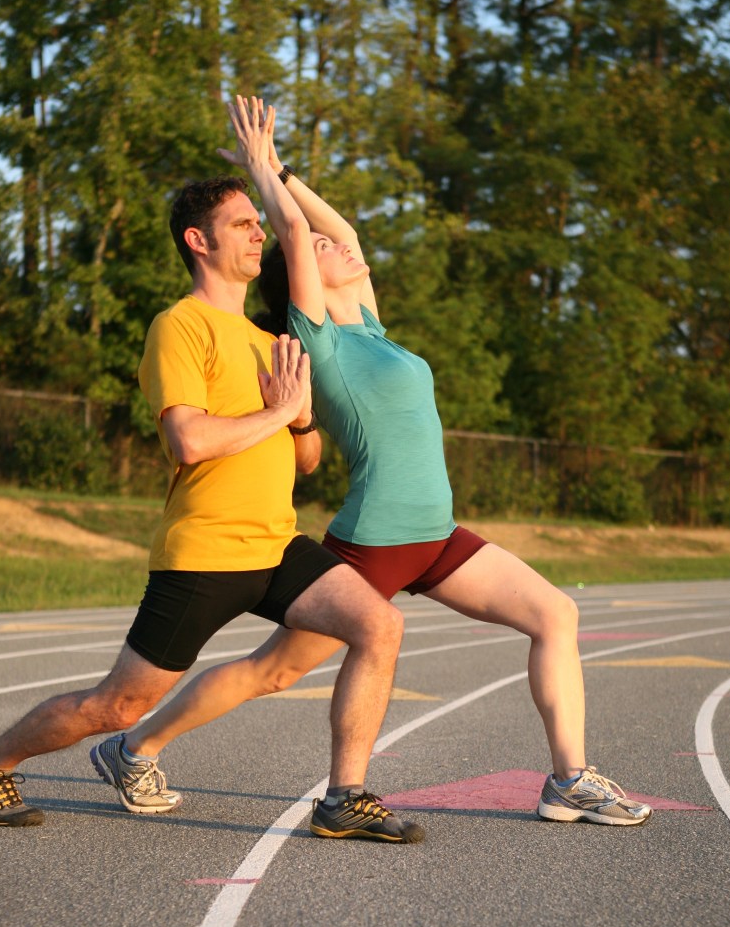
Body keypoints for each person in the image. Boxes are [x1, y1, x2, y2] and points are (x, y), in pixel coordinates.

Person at [100, 97, 651, 829]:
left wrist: (285, 169)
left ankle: (569, 779)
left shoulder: (370, 325)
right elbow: (297, 230)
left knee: (557, 612)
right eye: (324, 254)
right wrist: (261, 167)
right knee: (275, 669)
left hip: (436, 531)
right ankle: (137, 743)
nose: (343, 247)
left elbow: (339, 229)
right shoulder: (316, 335)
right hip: (378, 536)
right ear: (305, 280)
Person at [0, 163, 424, 844]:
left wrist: (297, 419)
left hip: (276, 543)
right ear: (198, 241)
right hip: (204, 550)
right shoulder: (180, 325)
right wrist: (277, 412)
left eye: (259, 224)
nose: (259, 234)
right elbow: (189, 440)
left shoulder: (271, 339)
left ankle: (343, 796)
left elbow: (309, 460)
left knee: (378, 626)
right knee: (116, 706)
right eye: (243, 224)